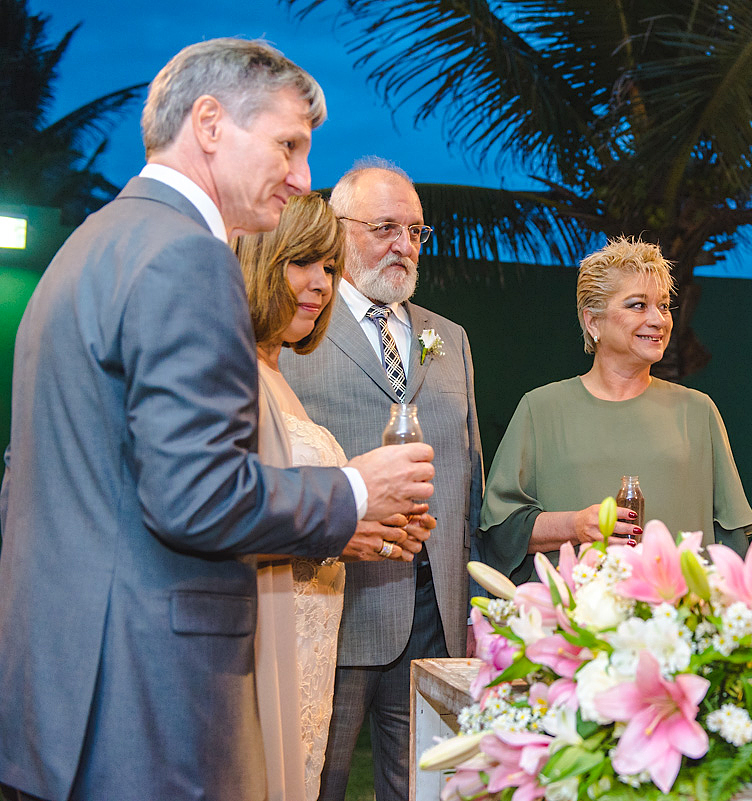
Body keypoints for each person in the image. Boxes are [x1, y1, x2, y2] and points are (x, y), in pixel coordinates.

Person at [0, 40, 434, 801]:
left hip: (61, 698)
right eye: (287, 144)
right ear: (208, 123)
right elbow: (197, 497)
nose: (302, 175)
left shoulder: (90, 245)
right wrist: (356, 490)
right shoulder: (188, 257)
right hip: (146, 704)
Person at [279, 158, 483, 801]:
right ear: (338, 229)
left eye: (416, 231)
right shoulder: (295, 330)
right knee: (319, 782)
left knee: (427, 787)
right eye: (385, 227)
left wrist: (470, 602)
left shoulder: (449, 338)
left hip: (433, 611)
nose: (405, 245)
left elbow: (470, 480)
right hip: (336, 603)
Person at [234, 192, 433, 801]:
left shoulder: (274, 371)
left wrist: (365, 534)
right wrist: (346, 511)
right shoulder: (232, 372)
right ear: (258, 262)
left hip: (309, 640)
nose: (321, 283)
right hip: (259, 635)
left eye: (327, 266)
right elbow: (222, 511)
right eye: (301, 262)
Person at [479, 236, 752, 585]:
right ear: (593, 322)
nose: (658, 320)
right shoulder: (541, 409)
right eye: (638, 305)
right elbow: (501, 532)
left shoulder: (698, 412)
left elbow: (734, 543)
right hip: (573, 615)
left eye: (664, 306)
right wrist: (575, 526)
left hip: (677, 615)